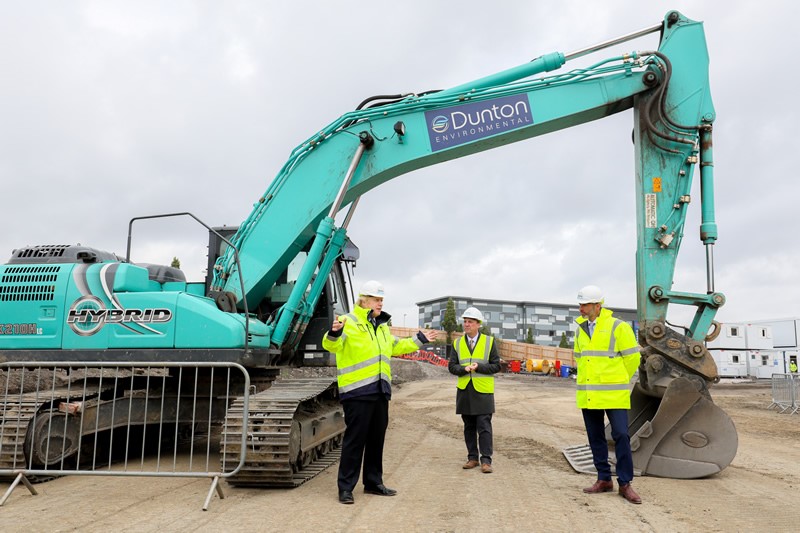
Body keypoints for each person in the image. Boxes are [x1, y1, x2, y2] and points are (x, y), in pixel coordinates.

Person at [322, 280, 437, 505]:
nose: (380, 303)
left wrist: (419, 340)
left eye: (381, 299)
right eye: (376, 299)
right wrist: (333, 333)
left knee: (377, 440)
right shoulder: (348, 321)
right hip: (357, 392)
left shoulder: (382, 326)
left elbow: (396, 347)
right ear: (363, 300)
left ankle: (373, 482)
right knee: (355, 441)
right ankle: (345, 488)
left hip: (380, 390)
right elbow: (331, 345)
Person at [574, 285, 642, 504]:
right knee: (595, 438)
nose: (581, 309)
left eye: (584, 305)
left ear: (598, 305)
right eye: (580, 304)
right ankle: (604, 479)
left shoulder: (618, 327)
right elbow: (580, 358)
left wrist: (619, 378)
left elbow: (633, 359)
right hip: (589, 394)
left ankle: (625, 483)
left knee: (621, 435)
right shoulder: (580, 330)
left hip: (614, 394)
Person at [447, 307, 501, 474]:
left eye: (470, 321)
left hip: (483, 391)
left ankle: (486, 460)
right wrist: (464, 369)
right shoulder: (457, 343)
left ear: (478, 324)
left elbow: (496, 365)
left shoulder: (489, 342)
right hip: (465, 390)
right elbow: (452, 367)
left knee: (484, 426)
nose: (466, 324)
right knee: (468, 426)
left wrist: (479, 367)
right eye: (465, 321)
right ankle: (472, 458)